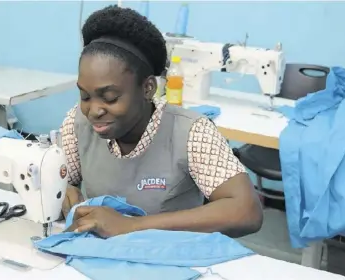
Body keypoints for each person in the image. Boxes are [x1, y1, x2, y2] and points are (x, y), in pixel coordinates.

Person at [60, 5, 263, 238]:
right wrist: (63, 191)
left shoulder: (192, 133)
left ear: (147, 88)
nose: (93, 110)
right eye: (85, 96)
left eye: (110, 98)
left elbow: (247, 211)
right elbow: (64, 180)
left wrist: (130, 226)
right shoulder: (77, 124)